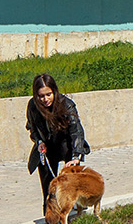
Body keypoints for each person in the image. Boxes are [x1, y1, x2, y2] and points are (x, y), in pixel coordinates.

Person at [25, 73, 89, 203]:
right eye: (41, 96)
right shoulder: (33, 106)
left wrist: (76, 156)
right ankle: (49, 209)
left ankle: (76, 205)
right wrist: (39, 141)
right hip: (47, 146)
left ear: (54, 91)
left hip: (66, 145)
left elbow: (76, 131)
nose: (45, 99)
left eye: (48, 94)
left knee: (71, 180)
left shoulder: (66, 104)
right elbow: (32, 128)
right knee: (48, 186)